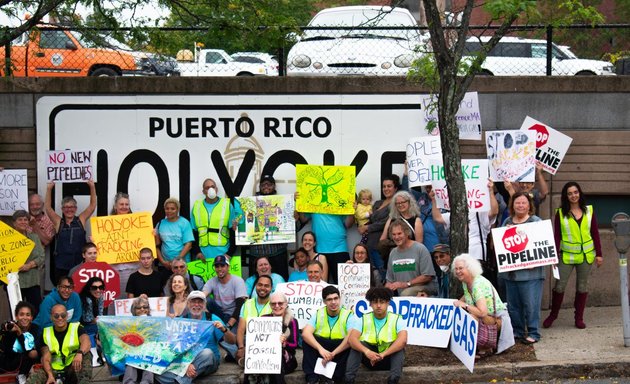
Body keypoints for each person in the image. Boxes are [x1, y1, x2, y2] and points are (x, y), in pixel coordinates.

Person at [543, 182, 603, 329]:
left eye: (575, 192)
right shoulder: (560, 213)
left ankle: (579, 318)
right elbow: (557, 236)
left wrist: (599, 254)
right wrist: (554, 256)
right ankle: (553, 315)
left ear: (580, 193)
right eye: (570, 193)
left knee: (582, 287)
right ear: (566, 196)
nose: (573, 195)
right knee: (559, 286)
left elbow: (595, 233)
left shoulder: (589, 211)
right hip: (567, 256)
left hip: (586, 256)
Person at [156, 291, 235, 384]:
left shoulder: (212, 319)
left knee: (207, 353)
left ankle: (179, 381)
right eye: (193, 301)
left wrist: (224, 329)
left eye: (200, 302)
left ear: (205, 305)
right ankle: (182, 381)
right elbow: (175, 348)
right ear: (188, 304)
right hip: (187, 361)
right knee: (158, 374)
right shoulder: (182, 320)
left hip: (207, 361)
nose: (197, 304)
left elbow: (232, 341)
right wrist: (186, 365)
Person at [498, 192, 544, 345]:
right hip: (511, 274)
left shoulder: (536, 222)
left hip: (531, 274)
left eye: (524, 203)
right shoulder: (506, 222)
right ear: (512, 205)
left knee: (531, 304)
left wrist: (536, 261)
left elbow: (542, 244)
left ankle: (533, 332)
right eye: (517, 203)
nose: (521, 206)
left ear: (529, 205)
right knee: (514, 306)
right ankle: (518, 331)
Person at [452, 254, 515, 357]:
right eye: (456, 269)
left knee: (471, 317)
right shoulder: (467, 281)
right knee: (462, 314)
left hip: (498, 318)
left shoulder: (477, 285)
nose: (458, 271)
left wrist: (464, 305)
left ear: (470, 268)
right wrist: (457, 303)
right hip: (488, 317)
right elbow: (467, 294)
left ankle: (484, 348)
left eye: (461, 268)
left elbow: (482, 312)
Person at [344, 287, 406, 384]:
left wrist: (383, 354)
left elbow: (403, 341)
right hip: (369, 359)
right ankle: (348, 380)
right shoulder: (362, 319)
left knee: (399, 348)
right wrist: (367, 352)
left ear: (388, 303)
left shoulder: (397, 319)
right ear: (370, 304)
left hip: (388, 359)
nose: (378, 305)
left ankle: (393, 380)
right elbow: (352, 340)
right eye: (375, 302)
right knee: (356, 346)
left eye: (382, 302)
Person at [44, 180, 96, 285]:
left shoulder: (81, 219)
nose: (69, 209)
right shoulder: (59, 222)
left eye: (72, 207)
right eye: (66, 207)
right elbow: (48, 208)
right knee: (62, 291)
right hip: (61, 266)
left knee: (79, 289)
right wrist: (49, 189)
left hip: (79, 264)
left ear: (75, 209)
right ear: (62, 209)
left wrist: (92, 187)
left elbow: (92, 205)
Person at [29, 304, 92, 384]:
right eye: (56, 316)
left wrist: (80, 353)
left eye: (63, 315)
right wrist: (50, 375)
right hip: (54, 370)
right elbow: (46, 358)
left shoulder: (76, 327)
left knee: (86, 355)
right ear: (51, 317)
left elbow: (86, 341)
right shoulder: (46, 333)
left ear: (67, 316)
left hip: (73, 366)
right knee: (36, 376)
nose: (60, 318)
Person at [245, 292, 298, 384]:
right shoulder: (263, 319)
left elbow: (294, 344)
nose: (277, 306)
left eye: (280, 303)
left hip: (285, 360)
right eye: (273, 303)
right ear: (270, 305)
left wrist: (284, 343)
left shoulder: (292, 321)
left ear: (286, 304)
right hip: (264, 357)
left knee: (277, 359)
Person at [302, 286, 352, 384]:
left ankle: (335, 378)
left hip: (340, 348)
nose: (333, 302)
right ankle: (312, 378)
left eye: (335, 298)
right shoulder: (318, 313)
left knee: (351, 344)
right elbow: (305, 334)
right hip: (322, 348)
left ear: (339, 298)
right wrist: (321, 349)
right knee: (307, 342)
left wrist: (333, 354)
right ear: (324, 301)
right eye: (329, 299)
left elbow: (350, 338)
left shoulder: (349, 315)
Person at [201, 255, 247, 359]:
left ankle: (235, 353)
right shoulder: (212, 281)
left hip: (235, 316)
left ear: (228, 267)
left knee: (229, 337)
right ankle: (235, 354)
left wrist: (229, 325)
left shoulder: (237, 280)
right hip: (220, 315)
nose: (220, 269)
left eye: (222, 265)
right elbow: (202, 295)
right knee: (206, 301)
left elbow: (240, 306)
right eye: (217, 266)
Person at [247, 175, 291, 280]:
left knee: (280, 284)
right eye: (263, 184)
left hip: (277, 254)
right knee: (256, 285)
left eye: (269, 184)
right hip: (256, 254)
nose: (266, 186)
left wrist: (294, 219)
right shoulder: (249, 203)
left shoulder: (284, 202)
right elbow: (246, 224)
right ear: (260, 186)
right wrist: (238, 226)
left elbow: (294, 228)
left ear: (274, 186)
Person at [191, 178, 244, 260]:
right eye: (207, 187)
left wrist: (230, 253)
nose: (210, 189)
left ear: (216, 189)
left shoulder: (227, 204)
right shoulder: (197, 206)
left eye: (213, 186)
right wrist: (197, 252)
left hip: (223, 253)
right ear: (203, 191)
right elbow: (194, 232)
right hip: (203, 255)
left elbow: (233, 230)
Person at [359, 175, 400, 279]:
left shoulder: (397, 203)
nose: (386, 189)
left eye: (389, 186)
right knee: (372, 275)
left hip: (381, 245)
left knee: (384, 274)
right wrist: (363, 225)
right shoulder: (378, 203)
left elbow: (386, 221)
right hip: (369, 243)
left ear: (395, 188)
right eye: (384, 186)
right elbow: (371, 219)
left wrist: (368, 228)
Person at [297, 212, 354, 285]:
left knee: (343, 284)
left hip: (339, 248)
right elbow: (304, 219)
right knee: (319, 284)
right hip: (319, 249)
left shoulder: (341, 201)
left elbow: (348, 224)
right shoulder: (313, 201)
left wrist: (352, 210)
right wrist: (299, 204)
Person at [385, 220, 437, 297]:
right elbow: (389, 280)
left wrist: (406, 284)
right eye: (394, 234)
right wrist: (387, 288)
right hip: (403, 294)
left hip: (423, 289)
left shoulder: (420, 248)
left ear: (407, 233)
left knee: (406, 293)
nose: (396, 237)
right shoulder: (393, 253)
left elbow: (427, 276)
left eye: (399, 233)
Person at [0, 301, 41, 384]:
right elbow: (6, 351)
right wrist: (7, 333)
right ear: (16, 316)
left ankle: (21, 376)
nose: (24, 317)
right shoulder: (11, 328)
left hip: (28, 362)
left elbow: (31, 351)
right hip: (11, 362)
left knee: (30, 354)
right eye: (21, 314)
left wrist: (20, 334)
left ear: (32, 317)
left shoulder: (35, 329)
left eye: (28, 315)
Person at [235, 275, 273, 364]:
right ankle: (244, 356)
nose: (262, 288)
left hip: (269, 344)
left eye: (266, 286)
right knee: (230, 340)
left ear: (271, 288)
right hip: (250, 341)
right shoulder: (247, 304)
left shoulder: (275, 303)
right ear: (256, 286)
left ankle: (245, 360)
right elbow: (241, 330)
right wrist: (241, 347)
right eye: (260, 285)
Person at [12, 210, 45, 309]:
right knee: (15, 311)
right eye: (20, 220)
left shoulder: (34, 238)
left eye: (25, 220)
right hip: (15, 282)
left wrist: (29, 265)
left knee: (35, 310)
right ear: (14, 223)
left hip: (32, 281)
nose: (23, 222)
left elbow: (41, 256)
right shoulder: (7, 239)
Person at [155, 197, 195, 274]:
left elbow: (188, 244)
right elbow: (156, 245)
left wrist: (176, 261)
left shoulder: (184, 223)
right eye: (167, 208)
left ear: (177, 210)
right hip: (165, 265)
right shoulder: (160, 223)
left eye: (172, 209)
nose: (169, 211)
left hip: (182, 265)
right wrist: (163, 262)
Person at [110, 192, 138, 299]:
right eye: (121, 204)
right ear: (115, 206)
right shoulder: (107, 223)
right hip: (116, 268)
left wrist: (152, 235)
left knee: (132, 298)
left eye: (127, 204)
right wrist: (96, 240)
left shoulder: (137, 222)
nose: (124, 207)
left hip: (134, 267)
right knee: (118, 298)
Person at [27, 193, 55, 294]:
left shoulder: (48, 222)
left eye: (37, 204)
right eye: (32, 204)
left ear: (42, 205)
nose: (35, 207)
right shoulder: (23, 220)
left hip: (37, 264)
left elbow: (47, 241)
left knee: (37, 295)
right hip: (22, 261)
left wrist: (35, 226)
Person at [123, 297, 153, 384]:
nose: (142, 309)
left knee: (151, 354)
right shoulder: (128, 323)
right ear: (134, 310)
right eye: (138, 308)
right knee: (131, 354)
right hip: (133, 350)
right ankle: (129, 381)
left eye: (145, 307)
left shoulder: (155, 321)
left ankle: (146, 382)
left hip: (149, 351)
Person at [78, 276, 105, 366]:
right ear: (89, 289)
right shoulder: (86, 299)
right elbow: (87, 319)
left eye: (100, 287)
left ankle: (101, 353)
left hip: (94, 324)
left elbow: (100, 314)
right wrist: (97, 321)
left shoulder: (101, 297)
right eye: (94, 288)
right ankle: (94, 356)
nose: (98, 290)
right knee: (92, 331)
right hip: (82, 326)